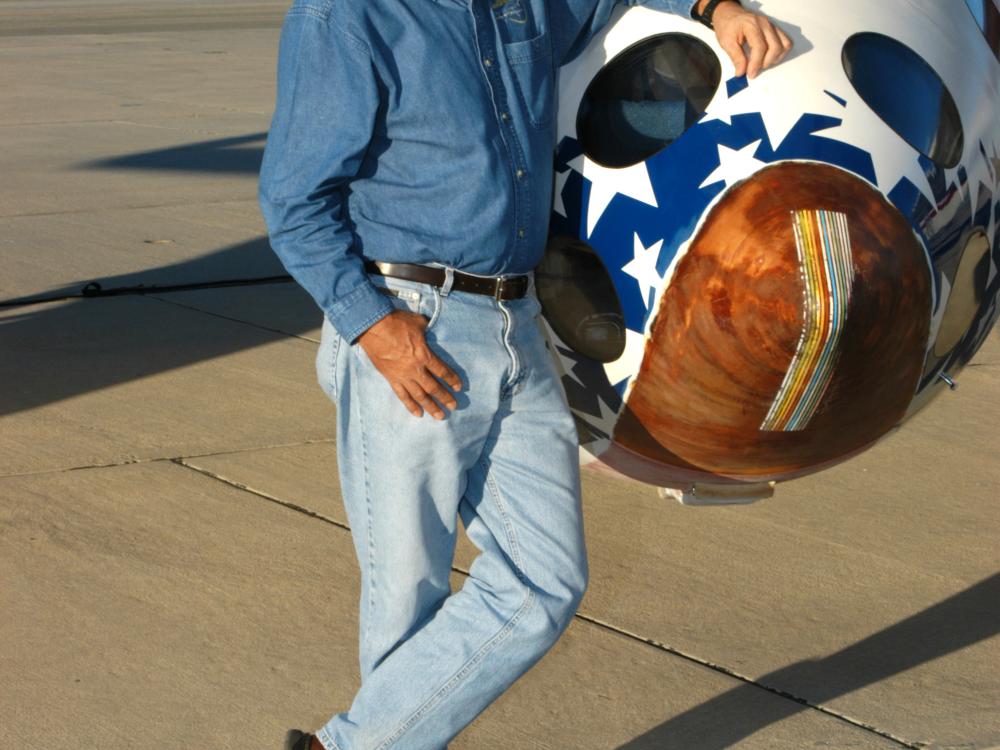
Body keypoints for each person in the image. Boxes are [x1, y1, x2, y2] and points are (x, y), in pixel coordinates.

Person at [257, 0, 790, 747]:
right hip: (412, 324)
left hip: (517, 318)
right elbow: (292, 199)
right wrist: (373, 327)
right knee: (406, 596)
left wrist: (713, 5)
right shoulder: (349, 16)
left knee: (546, 580)